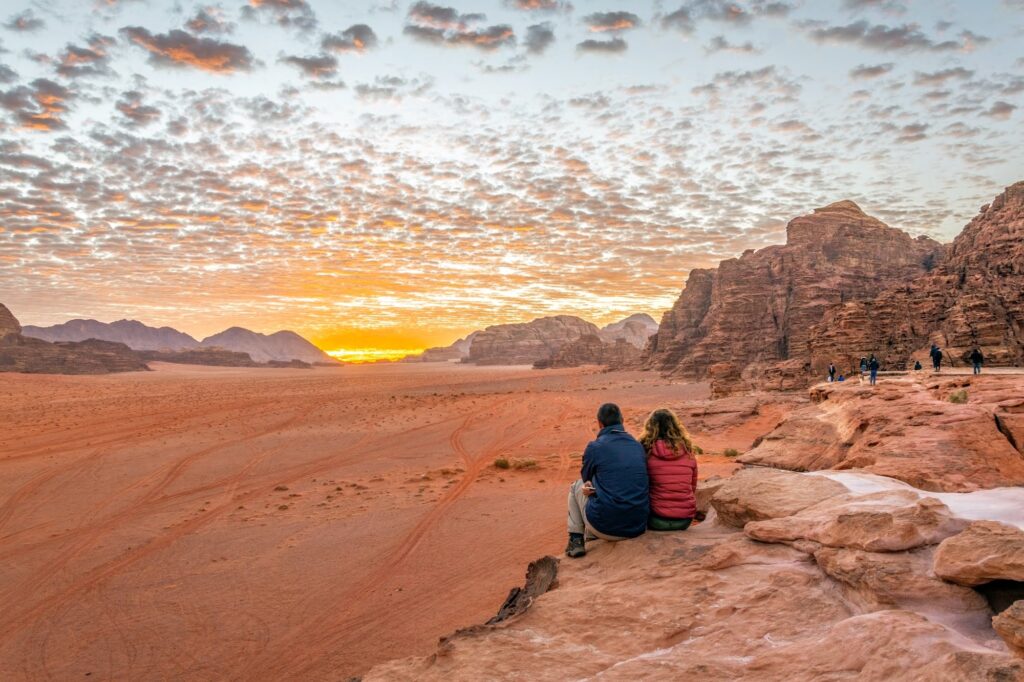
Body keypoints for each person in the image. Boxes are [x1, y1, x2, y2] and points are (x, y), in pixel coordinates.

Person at [566, 403, 649, 558]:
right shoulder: (637, 446)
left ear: (599, 423)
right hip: (637, 526)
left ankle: (576, 539)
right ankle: (591, 534)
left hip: (606, 527)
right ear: (622, 420)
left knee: (577, 486)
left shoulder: (595, 447)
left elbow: (587, 479)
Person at [639, 409, 697, 531]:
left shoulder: (645, 450)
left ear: (650, 426)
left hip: (656, 520)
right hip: (684, 520)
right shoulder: (687, 450)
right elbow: (692, 486)